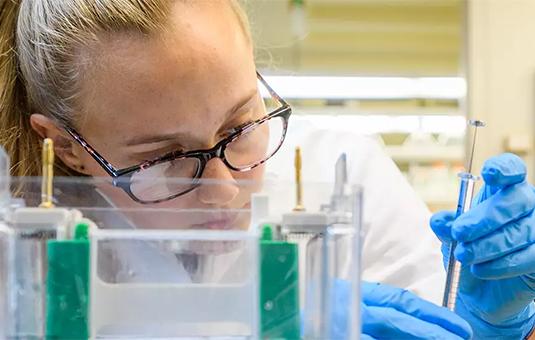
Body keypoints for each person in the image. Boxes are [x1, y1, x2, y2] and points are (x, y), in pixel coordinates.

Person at [0, 0, 533, 338]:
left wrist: (491, 325)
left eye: (240, 124)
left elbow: (441, 320)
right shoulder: (18, 248)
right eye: (162, 158)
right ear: (65, 147)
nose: (224, 190)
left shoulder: (345, 171)